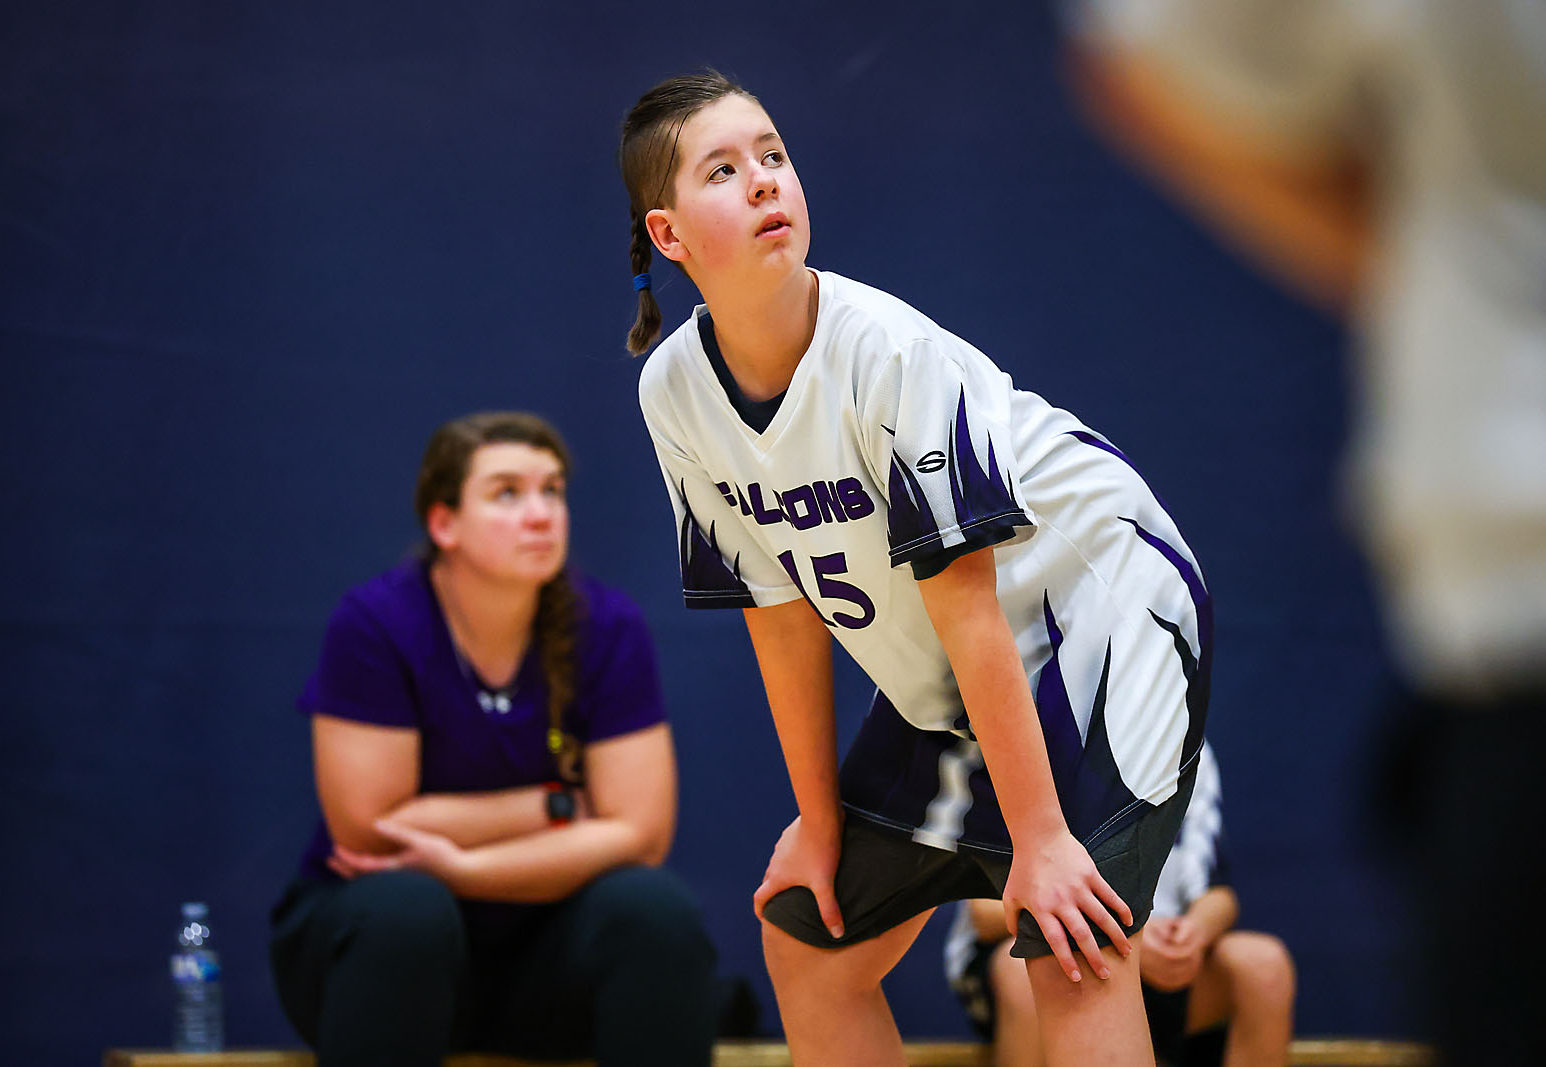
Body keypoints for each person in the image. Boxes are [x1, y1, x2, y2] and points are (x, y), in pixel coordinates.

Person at [621, 71, 1211, 1067]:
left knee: (1069, 940)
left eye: (773, 154)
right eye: (723, 170)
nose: (766, 181)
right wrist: (817, 823)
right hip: (965, 656)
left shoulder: (887, 352)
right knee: (808, 936)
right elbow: (778, 613)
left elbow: (973, 606)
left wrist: (1041, 838)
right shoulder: (673, 392)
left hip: (1108, 604)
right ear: (669, 235)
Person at [1063, 4, 1546, 1062]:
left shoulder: (1170, 754)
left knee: (1256, 969)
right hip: (1512, 659)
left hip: (1510, 639)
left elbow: (1139, 52)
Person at [268, 411, 718, 1067]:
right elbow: (369, 832)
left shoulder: (608, 624)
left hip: (540, 959)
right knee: (409, 908)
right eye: (507, 492)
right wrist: (556, 806)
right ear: (443, 522)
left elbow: (641, 834)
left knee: (655, 911)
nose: (541, 514)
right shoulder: (378, 621)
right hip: (378, 952)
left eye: (553, 490)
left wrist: (464, 866)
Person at [946, 744, 1295, 1067]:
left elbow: (1218, 893)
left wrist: (1193, 935)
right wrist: (1126, 939)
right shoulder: (1031, 733)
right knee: (1030, 968)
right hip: (1058, 944)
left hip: (1158, 952)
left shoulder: (1180, 739)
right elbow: (984, 912)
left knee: (1264, 965)